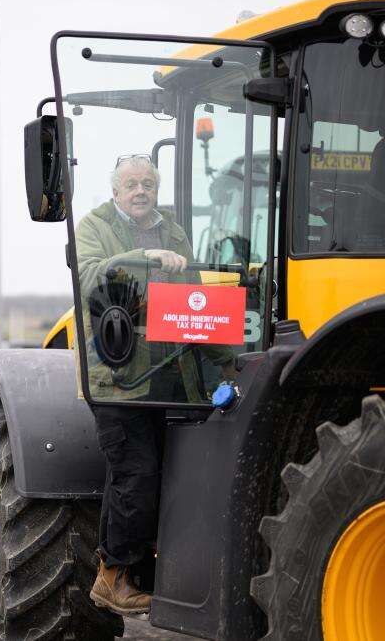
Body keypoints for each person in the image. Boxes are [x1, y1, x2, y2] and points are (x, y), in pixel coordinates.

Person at [75, 154, 228, 615]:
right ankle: (114, 577)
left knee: (149, 479)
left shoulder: (173, 229)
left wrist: (231, 361)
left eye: (148, 184)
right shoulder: (93, 227)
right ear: (116, 191)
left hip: (170, 378)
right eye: (131, 185)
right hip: (119, 379)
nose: (141, 191)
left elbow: (195, 300)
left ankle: (121, 572)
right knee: (136, 477)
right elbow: (88, 278)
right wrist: (143, 258)